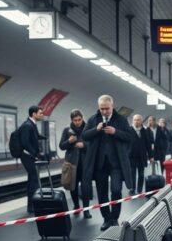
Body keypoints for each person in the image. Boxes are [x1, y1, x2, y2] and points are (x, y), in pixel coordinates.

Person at [81, 94, 135, 231]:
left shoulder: (121, 120)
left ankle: (115, 218)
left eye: (106, 108)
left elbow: (129, 137)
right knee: (102, 193)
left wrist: (115, 132)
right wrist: (96, 129)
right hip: (100, 163)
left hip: (116, 163)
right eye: (101, 109)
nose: (104, 111)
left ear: (112, 106)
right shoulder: (93, 119)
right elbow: (84, 136)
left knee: (116, 190)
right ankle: (106, 219)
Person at [58, 109, 92, 219]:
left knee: (86, 186)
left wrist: (84, 145)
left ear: (82, 118)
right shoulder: (67, 130)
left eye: (79, 119)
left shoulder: (88, 128)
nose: (77, 122)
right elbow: (61, 146)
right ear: (71, 120)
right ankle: (77, 206)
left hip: (85, 162)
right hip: (72, 162)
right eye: (75, 120)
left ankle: (86, 209)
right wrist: (69, 141)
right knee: (73, 186)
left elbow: (93, 144)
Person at [18, 105, 43, 214]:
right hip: (27, 156)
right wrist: (35, 154)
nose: (42, 115)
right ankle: (32, 206)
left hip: (30, 156)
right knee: (34, 180)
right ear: (34, 114)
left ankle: (33, 205)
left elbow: (33, 137)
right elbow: (25, 142)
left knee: (33, 180)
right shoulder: (27, 125)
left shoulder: (32, 124)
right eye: (40, 113)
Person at [128, 114, 152, 194]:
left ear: (141, 121)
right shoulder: (128, 130)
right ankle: (132, 189)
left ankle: (139, 189)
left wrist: (151, 156)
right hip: (131, 156)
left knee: (141, 174)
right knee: (132, 174)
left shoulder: (145, 131)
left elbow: (148, 144)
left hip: (142, 157)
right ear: (132, 121)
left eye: (138, 120)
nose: (136, 121)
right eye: (135, 120)